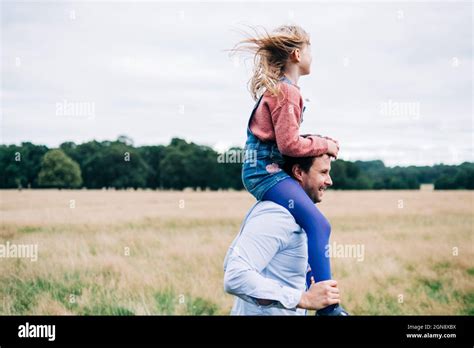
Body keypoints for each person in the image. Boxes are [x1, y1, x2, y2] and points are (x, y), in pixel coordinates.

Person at [231, 24, 347, 315]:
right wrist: (325, 143)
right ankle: (328, 310)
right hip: (266, 172)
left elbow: (289, 141)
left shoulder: (284, 89)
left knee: (309, 226)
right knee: (320, 224)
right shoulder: (286, 91)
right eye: (310, 51)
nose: (313, 58)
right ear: (297, 54)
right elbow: (289, 146)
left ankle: (320, 299)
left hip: (267, 170)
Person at [223, 153, 342, 315]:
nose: (330, 181)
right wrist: (304, 299)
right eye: (323, 172)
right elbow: (236, 276)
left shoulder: (298, 215)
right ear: (299, 172)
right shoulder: (277, 214)